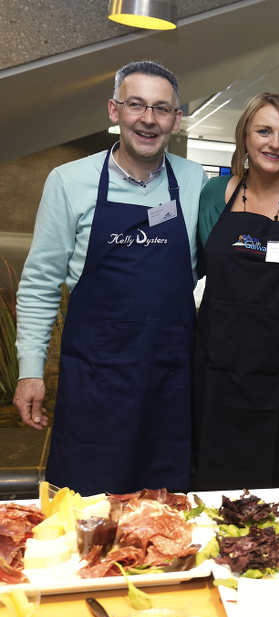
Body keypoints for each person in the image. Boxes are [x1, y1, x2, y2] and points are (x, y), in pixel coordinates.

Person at [14, 60, 206, 495]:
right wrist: (29, 370)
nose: (148, 118)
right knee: (86, 519)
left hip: (169, 387)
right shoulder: (68, 181)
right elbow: (40, 283)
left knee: (165, 518)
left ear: (176, 120)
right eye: (136, 104)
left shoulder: (195, 182)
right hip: (95, 388)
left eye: (161, 108)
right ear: (113, 110)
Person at [193, 93, 279, 497]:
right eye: (264, 131)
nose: (274, 144)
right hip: (217, 376)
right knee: (214, 493)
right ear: (244, 138)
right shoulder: (214, 194)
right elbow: (193, 266)